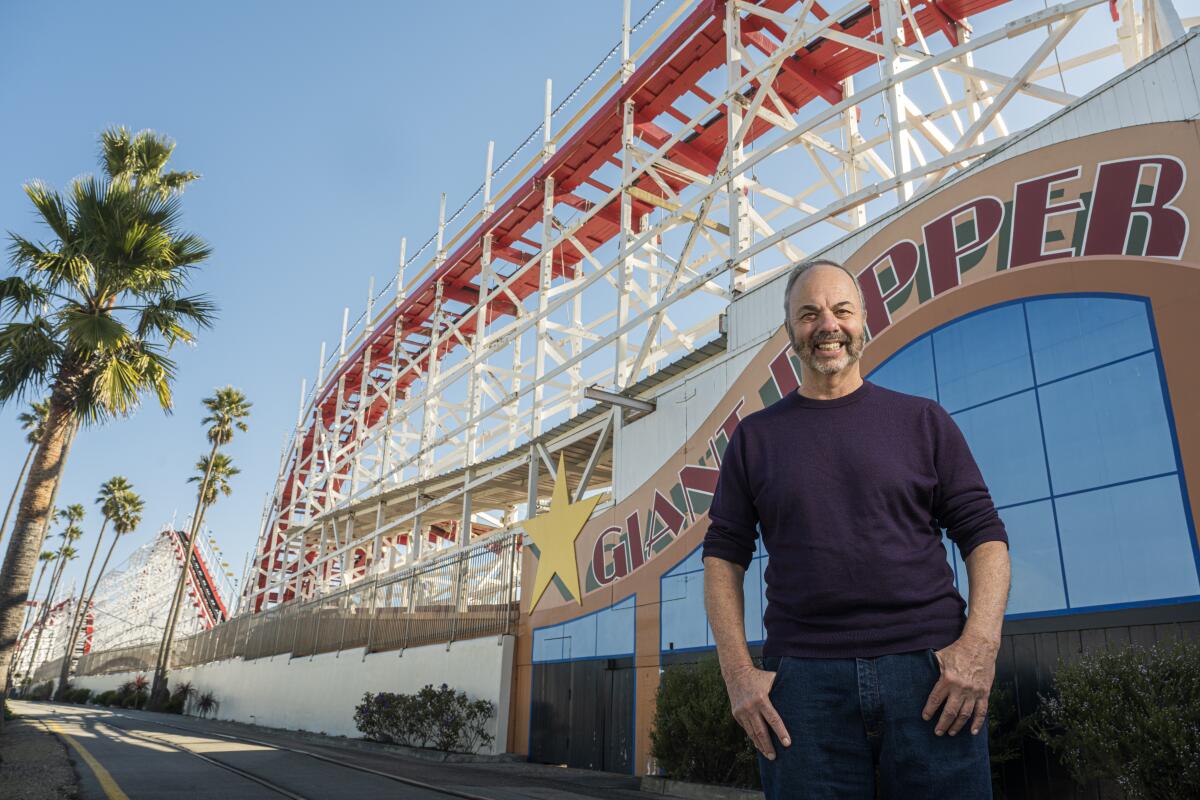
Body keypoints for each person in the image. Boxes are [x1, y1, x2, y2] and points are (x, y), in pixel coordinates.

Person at [702, 259, 1011, 799]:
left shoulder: (923, 421)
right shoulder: (754, 439)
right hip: (802, 691)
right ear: (791, 332)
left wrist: (979, 647)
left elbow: (984, 536)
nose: (828, 325)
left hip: (932, 677)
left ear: (864, 319)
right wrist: (737, 674)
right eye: (809, 313)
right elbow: (722, 558)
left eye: (842, 310)